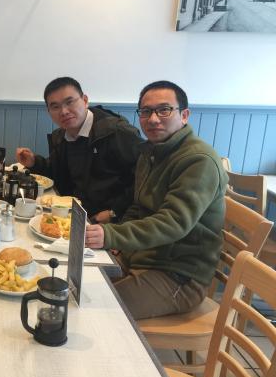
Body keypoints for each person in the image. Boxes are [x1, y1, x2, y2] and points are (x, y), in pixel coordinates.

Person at [85, 80, 228, 320]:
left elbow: (173, 222)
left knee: (94, 310)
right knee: (75, 285)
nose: (153, 119)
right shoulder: (151, 152)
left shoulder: (198, 160)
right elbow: (138, 206)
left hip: (179, 275)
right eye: (146, 111)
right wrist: (118, 238)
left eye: (164, 110)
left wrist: (111, 235)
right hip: (143, 257)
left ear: (184, 115)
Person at [16, 77, 143, 223]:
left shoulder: (116, 132)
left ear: (85, 100)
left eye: (69, 102)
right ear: (49, 111)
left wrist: (115, 212)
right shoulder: (61, 136)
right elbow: (57, 173)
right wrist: (34, 162)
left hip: (110, 220)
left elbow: (143, 179)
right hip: (74, 213)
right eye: (55, 107)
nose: (64, 111)